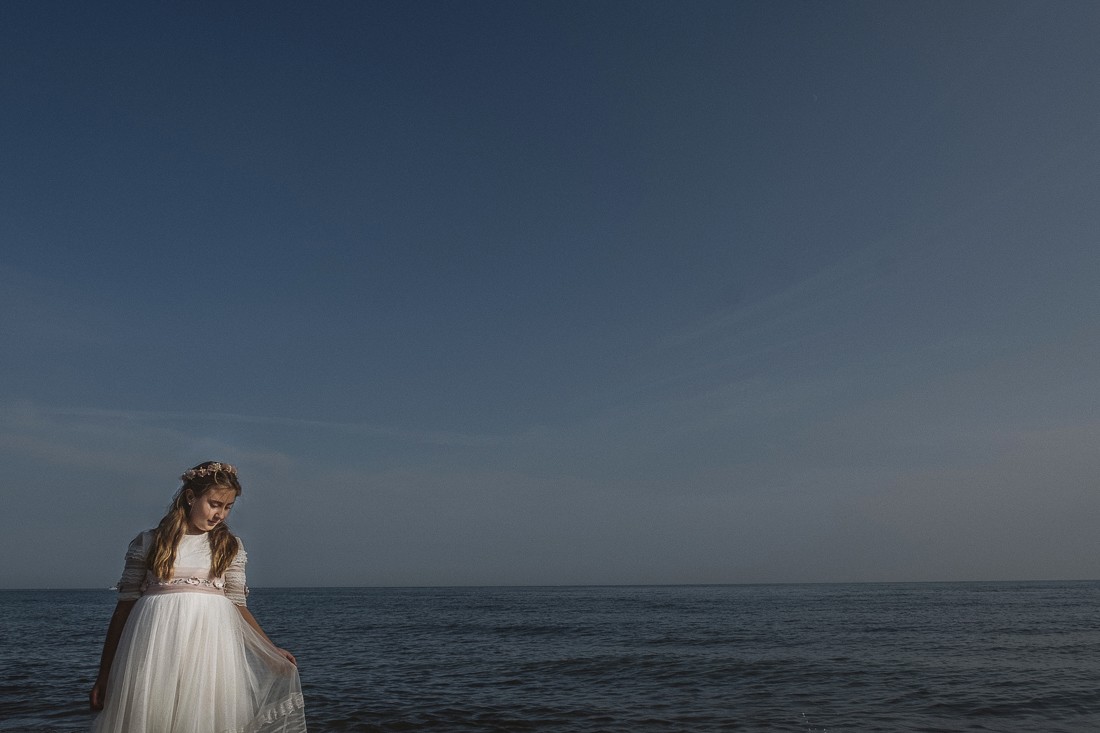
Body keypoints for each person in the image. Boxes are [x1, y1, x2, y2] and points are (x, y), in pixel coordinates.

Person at [89, 461, 307, 732]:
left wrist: (271, 651)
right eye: (214, 504)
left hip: (211, 654)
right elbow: (123, 609)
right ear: (191, 497)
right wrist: (104, 673)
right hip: (154, 651)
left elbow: (238, 606)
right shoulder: (148, 543)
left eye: (228, 507)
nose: (220, 515)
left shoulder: (229, 547)